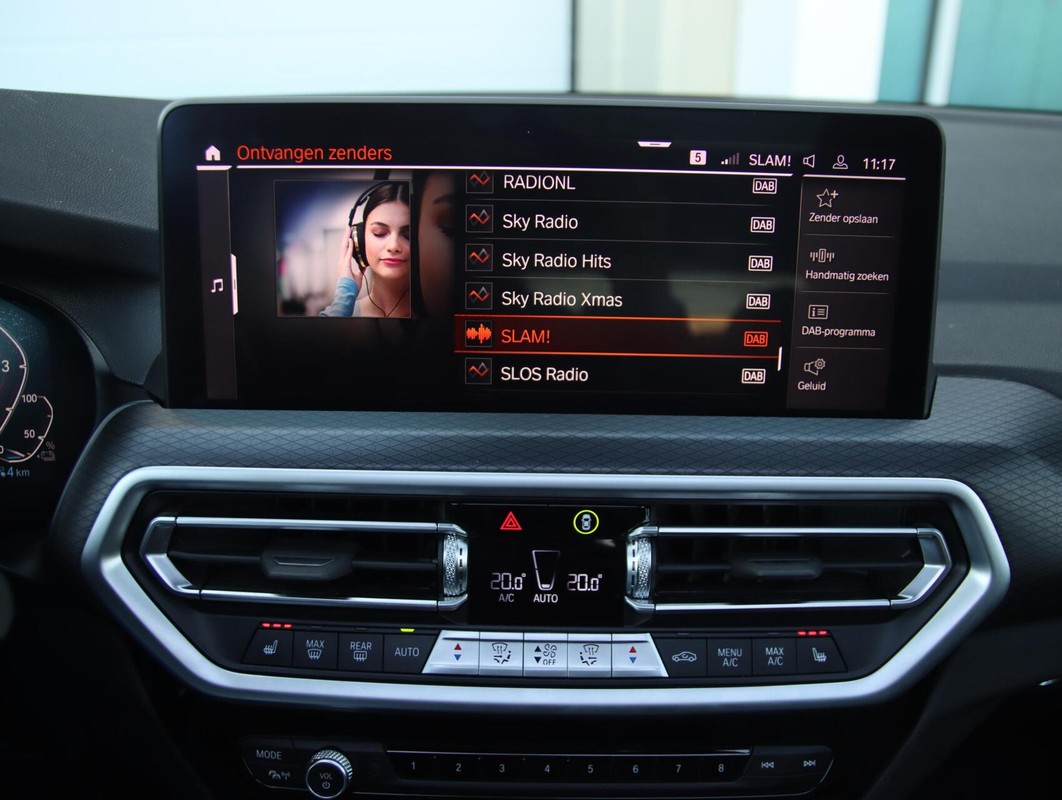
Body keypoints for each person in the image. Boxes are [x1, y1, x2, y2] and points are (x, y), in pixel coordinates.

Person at [321, 182, 412, 317]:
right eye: (379, 233)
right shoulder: (337, 313)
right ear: (359, 239)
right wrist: (344, 294)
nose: (393, 246)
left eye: (408, 235)